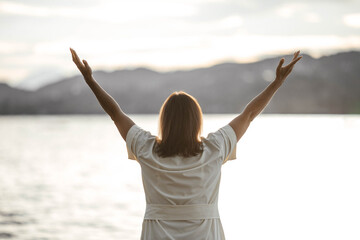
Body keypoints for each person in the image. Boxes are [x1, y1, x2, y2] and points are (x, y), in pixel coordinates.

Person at [70, 48, 302, 239]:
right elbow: (249, 114)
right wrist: (277, 83)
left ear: (165, 121)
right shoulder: (215, 148)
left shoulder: (145, 149)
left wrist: (90, 80)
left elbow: (115, 113)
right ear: (196, 121)